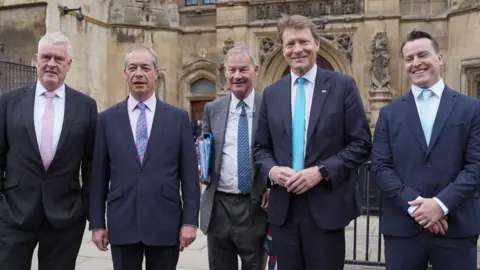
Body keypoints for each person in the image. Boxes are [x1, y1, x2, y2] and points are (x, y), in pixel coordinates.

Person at [253, 14, 372, 270]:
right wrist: (273, 170)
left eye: (303, 41)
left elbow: (361, 143)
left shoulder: (342, 86)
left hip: (326, 207)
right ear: (283, 49)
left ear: (317, 44)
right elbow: (260, 148)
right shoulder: (272, 94)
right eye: (290, 44)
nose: (297, 49)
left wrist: (321, 172)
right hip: (284, 209)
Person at [371, 30, 480, 270]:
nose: (416, 63)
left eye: (423, 55)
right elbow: (380, 167)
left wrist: (441, 205)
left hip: (456, 227)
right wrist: (416, 206)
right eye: (409, 58)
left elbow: (476, 165)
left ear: (439, 58)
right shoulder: (389, 114)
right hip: (403, 230)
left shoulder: (472, 109)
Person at [89, 45, 200, 270]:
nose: (138, 73)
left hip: (165, 223)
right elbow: (98, 177)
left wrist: (189, 221)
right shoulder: (107, 119)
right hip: (122, 222)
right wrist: (97, 224)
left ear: (156, 73)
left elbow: (189, 177)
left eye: (145, 68)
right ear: (125, 73)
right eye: (132, 68)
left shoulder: (178, 118)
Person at [0, 32, 98, 270]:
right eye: (45, 57)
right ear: (36, 59)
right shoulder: (8, 102)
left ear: (69, 63)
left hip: (65, 219)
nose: (51, 64)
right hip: (14, 214)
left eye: (58, 58)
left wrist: (87, 211)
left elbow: (91, 165)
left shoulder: (85, 106)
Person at [200, 45, 268, 270]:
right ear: (225, 72)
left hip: (254, 205)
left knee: (254, 265)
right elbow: (204, 145)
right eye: (232, 70)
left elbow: (279, 151)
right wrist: (202, 167)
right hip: (219, 205)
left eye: (243, 70)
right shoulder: (213, 108)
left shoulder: (268, 105)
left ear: (255, 70)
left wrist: (272, 186)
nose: (237, 76)